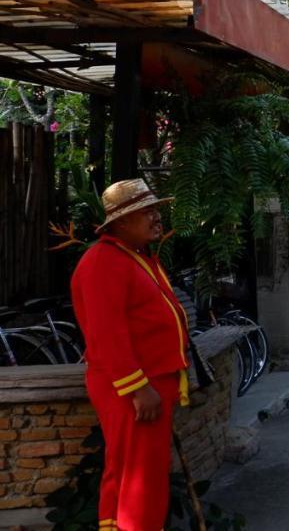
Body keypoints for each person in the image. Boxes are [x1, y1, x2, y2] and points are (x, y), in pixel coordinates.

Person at [71, 179, 190, 531]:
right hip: (135, 390)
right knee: (136, 480)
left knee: (139, 477)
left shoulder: (133, 258)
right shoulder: (103, 262)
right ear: (121, 223)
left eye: (156, 210)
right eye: (146, 212)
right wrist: (138, 388)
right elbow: (107, 336)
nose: (157, 218)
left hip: (150, 384)